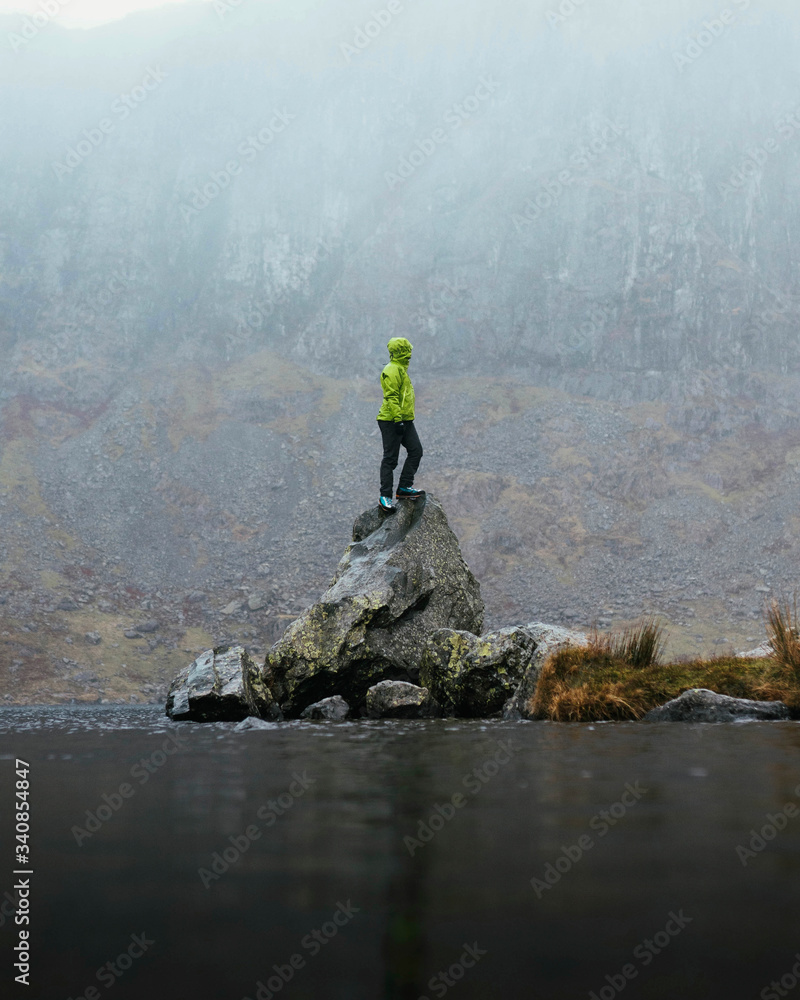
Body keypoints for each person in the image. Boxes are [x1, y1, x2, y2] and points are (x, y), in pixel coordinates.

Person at [376, 337, 423, 512]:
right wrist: (397, 420)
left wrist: (404, 419)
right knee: (390, 458)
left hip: (405, 419)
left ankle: (404, 488)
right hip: (391, 420)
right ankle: (385, 496)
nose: (409, 353)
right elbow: (391, 396)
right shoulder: (392, 370)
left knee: (416, 450)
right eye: (406, 350)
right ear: (401, 351)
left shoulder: (402, 369)